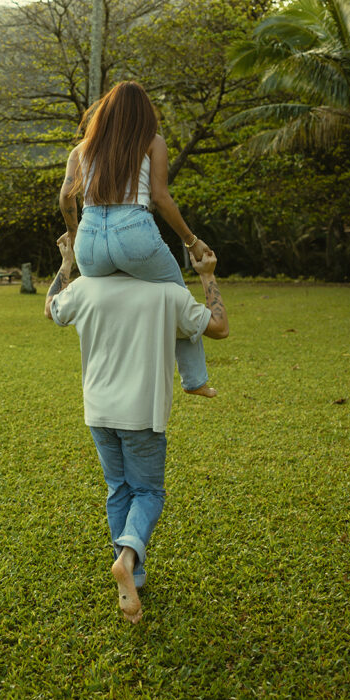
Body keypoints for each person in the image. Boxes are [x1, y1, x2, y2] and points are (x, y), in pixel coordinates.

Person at [45, 236, 229, 624]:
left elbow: (51, 309)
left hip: (98, 412)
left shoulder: (84, 287)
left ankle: (134, 577)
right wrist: (207, 276)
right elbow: (219, 326)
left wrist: (66, 263)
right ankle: (127, 558)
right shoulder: (166, 293)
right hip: (142, 414)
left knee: (119, 489)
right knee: (148, 492)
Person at [59, 80, 215, 397]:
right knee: (177, 297)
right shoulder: (152, 142)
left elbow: (65, 197)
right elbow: (161, 198)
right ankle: (195, 379)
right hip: (134, 229)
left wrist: (75, 235)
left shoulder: (81, 149)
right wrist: (190, 239)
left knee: (103, 302)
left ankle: (106, 377)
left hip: (89, 235)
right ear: (143, 113)